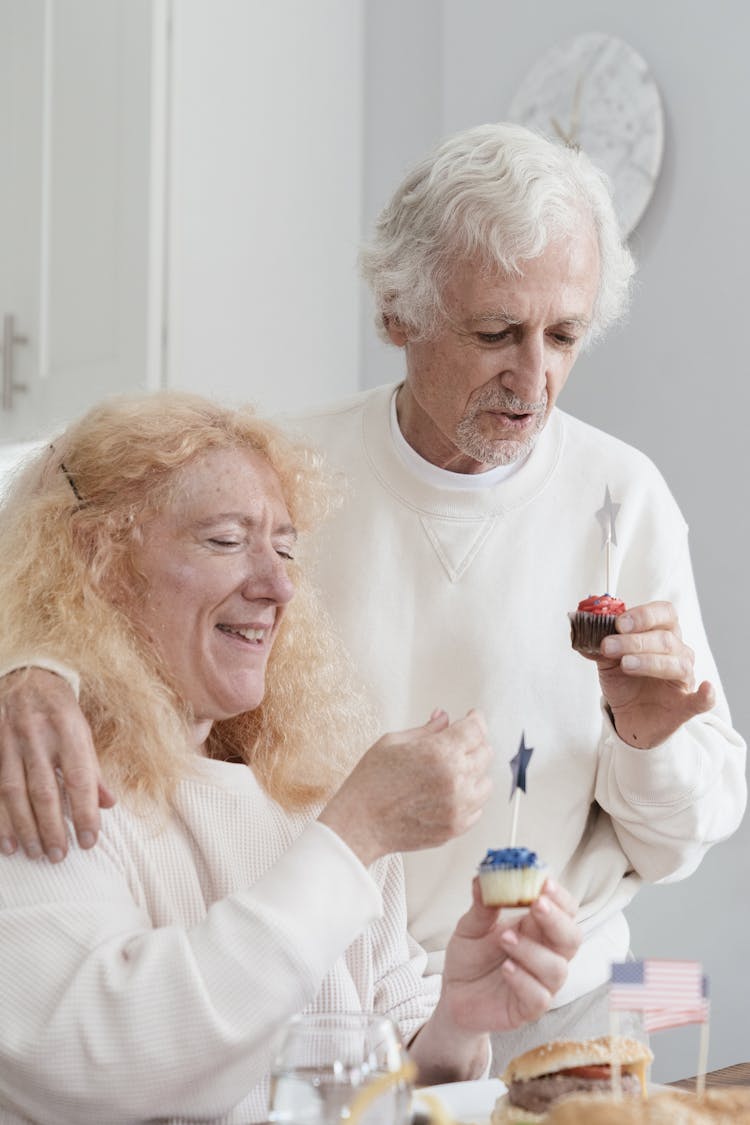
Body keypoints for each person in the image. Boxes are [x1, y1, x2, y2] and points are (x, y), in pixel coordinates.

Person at [0, 123, 746, 1071]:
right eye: (495, 333)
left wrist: (652, 740)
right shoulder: (284, 480)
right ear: (399, 314)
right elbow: (59, 504)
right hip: (316, 992)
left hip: (548, 995)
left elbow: (679, 840)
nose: (535, 377)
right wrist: (33, 660)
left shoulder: (623, 498)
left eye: (563, 335)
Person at [0, 392, 580, 1125]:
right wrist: (356, 831)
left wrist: (458, 1021)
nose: (277, 586)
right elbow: (110, 1062)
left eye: (284, 546)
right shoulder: (36, 771)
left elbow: (378, 1086)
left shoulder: (307, 790)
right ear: (97, 558)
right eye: (223, 540)